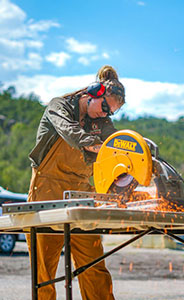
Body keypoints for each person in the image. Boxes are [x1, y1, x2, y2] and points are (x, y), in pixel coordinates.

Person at [26, 65, 125, 300]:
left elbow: (118, 143)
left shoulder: (101, 122)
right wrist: (101, 147)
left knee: (94, 268)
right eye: (103, 107)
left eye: (110, 113)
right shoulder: (58, 106)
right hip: (48, 193)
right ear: (92, 92)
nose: (104, 115)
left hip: (81, 196)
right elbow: (70, 133)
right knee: (44, 274)